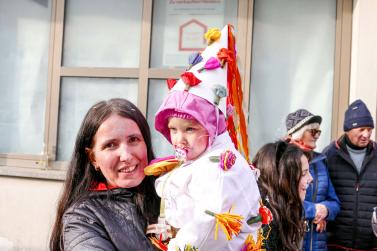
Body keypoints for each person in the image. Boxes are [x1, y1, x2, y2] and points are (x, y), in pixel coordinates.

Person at [145, 25, 261, 250]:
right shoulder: (200, 158)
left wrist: (175, 246)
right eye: (173, 129)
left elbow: (208, 225)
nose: (179, 139)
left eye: (190, 129)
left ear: (212, 126)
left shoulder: (218, 167)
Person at [49, 98, 160, 251]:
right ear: (93, 158)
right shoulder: (83, 218)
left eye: (134, 140)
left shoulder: (172, 192)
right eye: (111, 145)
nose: (126, 156)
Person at [323, 99, 377, 250]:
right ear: (348, 129)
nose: (366, 134)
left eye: (369, 129)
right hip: (335, 244)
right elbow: (320, 194)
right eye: (361, 129)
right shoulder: (329, 155)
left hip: (371, 245)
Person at [285, 109, 340, 251]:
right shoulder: (285, 160)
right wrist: (313, 210)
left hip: (317, 246)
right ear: (299, 133)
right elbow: (282, 202)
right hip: (291, 243)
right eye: (313, 132)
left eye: (318, 132)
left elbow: (334, 201)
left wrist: (325, 211)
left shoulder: (321, 162)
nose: (317, 136)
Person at [252, 140, 313, 251]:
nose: (311, 178)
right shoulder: (266, 224)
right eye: (304, 173)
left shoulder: (282, 209)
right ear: (283, 178)